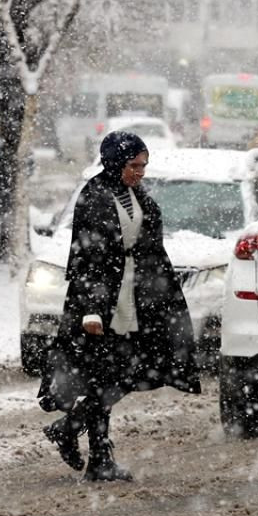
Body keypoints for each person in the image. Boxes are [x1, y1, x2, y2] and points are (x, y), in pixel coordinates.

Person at [37, 131, 201, 482]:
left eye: (143, 165)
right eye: (134, 165)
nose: (140, 171)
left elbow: (147, 244)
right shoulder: (95, 195)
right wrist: (92, 310)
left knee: (123, 373)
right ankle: (96, 454)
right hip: (103, 302)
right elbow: (89, 256)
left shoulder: (132, 193)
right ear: (115, 162)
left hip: (133, 299)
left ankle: (77, 434)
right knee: (106, 375)